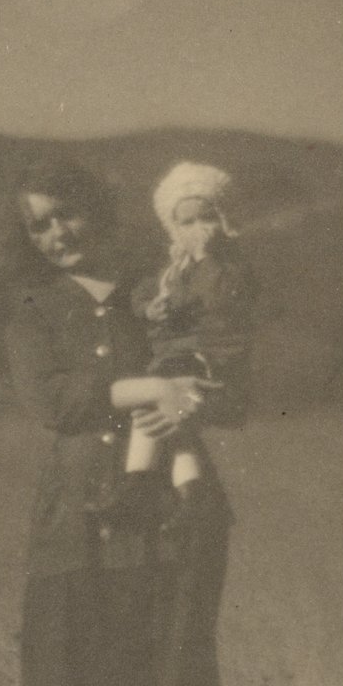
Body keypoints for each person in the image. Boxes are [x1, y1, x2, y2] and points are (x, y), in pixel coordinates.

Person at [0, 157, 246, 686]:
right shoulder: (33, 311)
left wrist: (192, 397)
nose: (56, 234)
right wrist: (150, 389)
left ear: (97, 211)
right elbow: (53, 402)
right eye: (38, 226)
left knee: (162, 663)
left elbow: (222, 371)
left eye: (66, 214)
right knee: (71, 668)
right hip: (76, 514)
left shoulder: (156, 288)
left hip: (166, 507)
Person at [89, 161, 254, 531]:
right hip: (173, 355)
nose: (199, 230)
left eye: (207, 218)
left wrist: (206, 260)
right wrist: (150, 308)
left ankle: (140, 481)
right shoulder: (172, 269)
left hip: (205, 353)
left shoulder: (227, 267)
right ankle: (186, 491)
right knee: (166, 419)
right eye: (187, 222)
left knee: (159, 408)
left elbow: (217, 300)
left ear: (223, 219)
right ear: (174, 227)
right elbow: (144, 293)